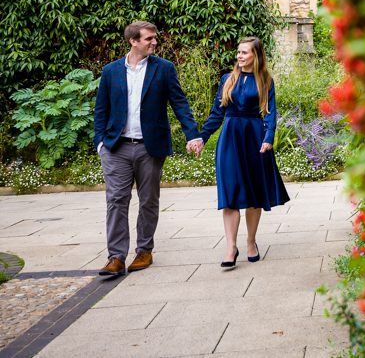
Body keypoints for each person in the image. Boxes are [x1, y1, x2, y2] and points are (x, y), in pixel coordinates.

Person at [93, 20, 204, 278]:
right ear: (133, 41)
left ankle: (144, 250)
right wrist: (101, 142)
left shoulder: (163, 69)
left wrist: (192, 135)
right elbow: (101, 109)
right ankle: (116, 257)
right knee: (116, 201)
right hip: (116, 147)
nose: (154, 42)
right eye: (149, 39)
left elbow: (179, 103)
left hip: (149, 147)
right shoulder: (111, 71)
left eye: (155, 38)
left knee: (149, 200)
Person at [199, 36, 291, 267]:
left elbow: (270, 113)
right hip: (230, 138)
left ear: (256, 56)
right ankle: (231, 247)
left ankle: (251, 241)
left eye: (244, 53)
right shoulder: (227, 79)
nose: (239, 56)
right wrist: (202, 137)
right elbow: (216, 113)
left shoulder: (265, 80)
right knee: (229, 193)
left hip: (254, 137)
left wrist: (268, 138)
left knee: (252, 194)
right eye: (238, 52)